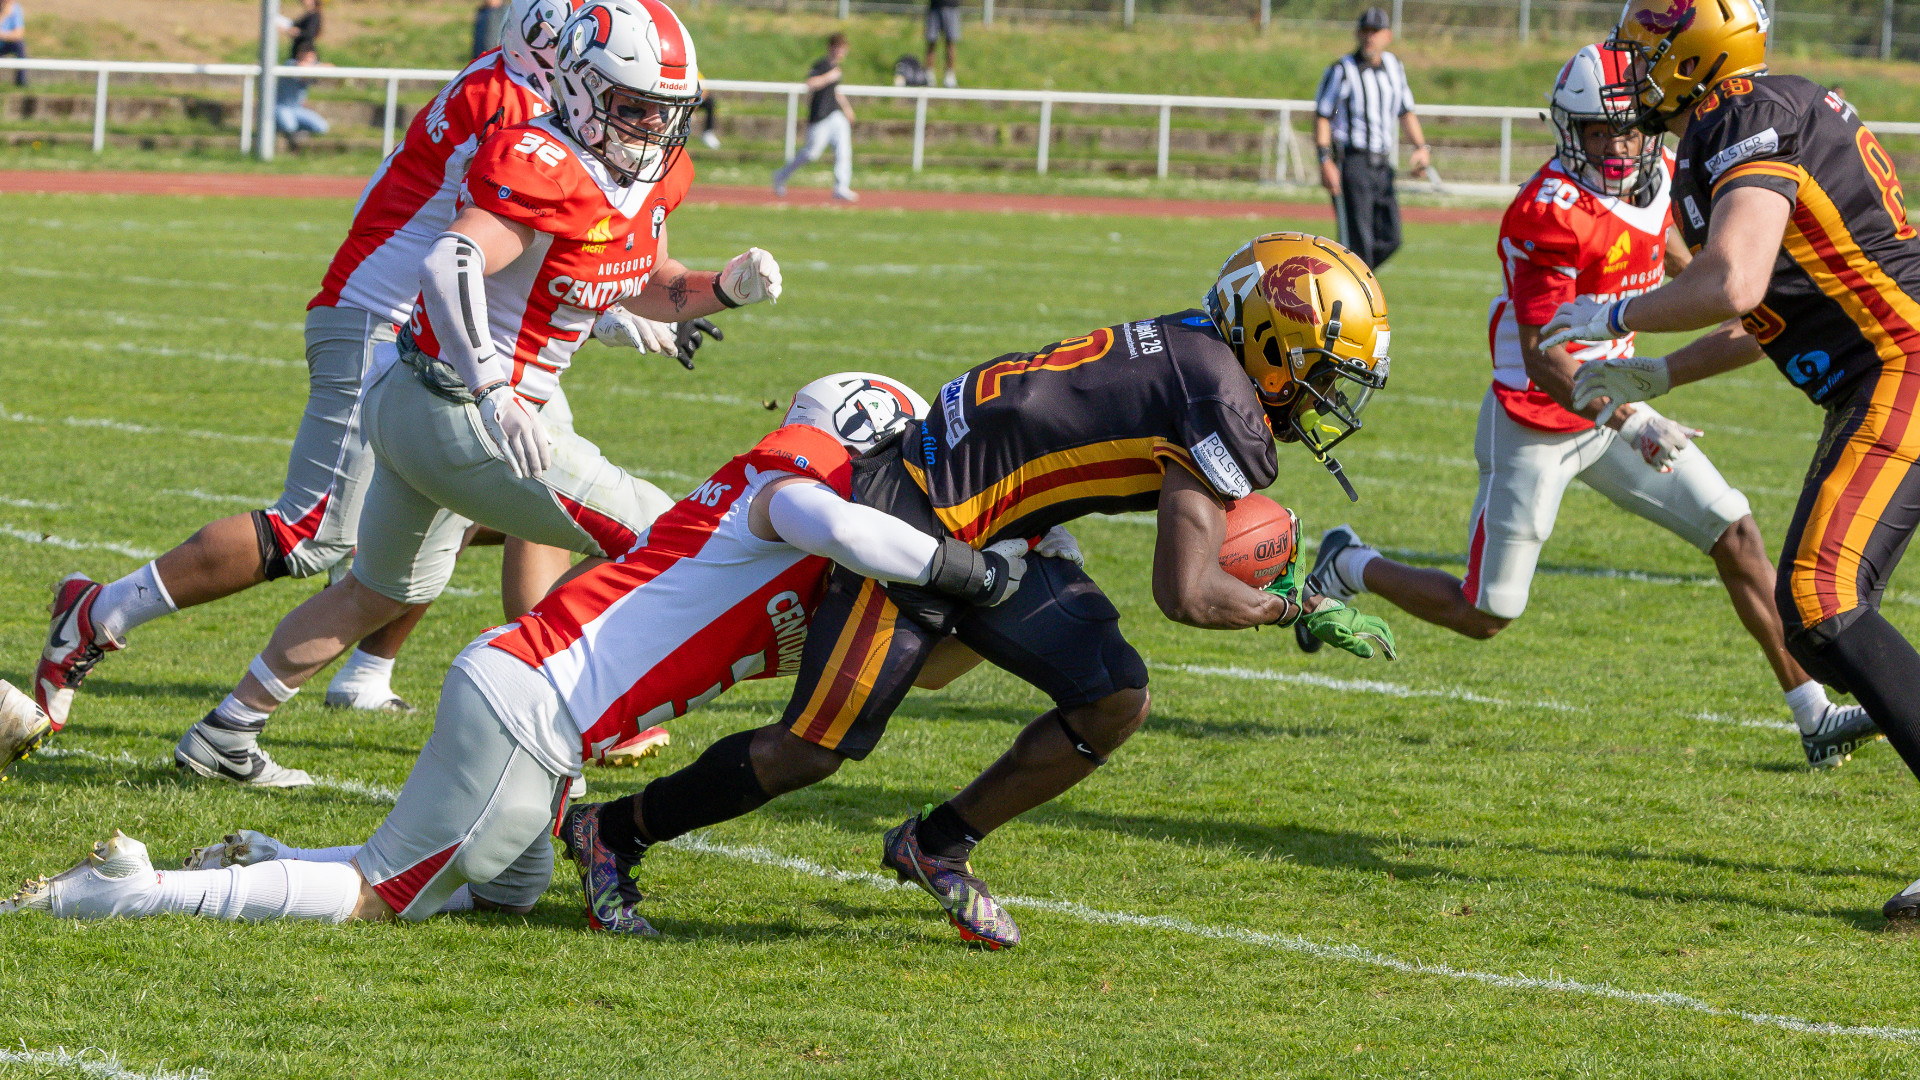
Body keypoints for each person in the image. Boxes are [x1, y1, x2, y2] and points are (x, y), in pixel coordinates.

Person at [563, 233, 1402, 950]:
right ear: (1268, 340)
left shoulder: (1198, 342)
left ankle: (939, 844)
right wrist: (1297, 606)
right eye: (1325, 372)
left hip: (1002, 517)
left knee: (1113, 695)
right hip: (923, 514)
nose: (1332, 397)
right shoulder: (1222, 398)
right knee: (812, 748)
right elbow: (1185, 592)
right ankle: (615, 829)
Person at [0, 375, 1040, 932]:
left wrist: (1020, 562)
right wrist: (964, 568)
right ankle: (130, 889)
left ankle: (262, 858)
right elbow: (842, 524)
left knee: (499, 892)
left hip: (537, 709)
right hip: (535, 702)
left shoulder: (815, 554)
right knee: (385, 894)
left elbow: (929, 668)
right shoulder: (796, 481)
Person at [163, 0, 782, 789]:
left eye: (668, 112)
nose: (653, 128)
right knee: (663, 536)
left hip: (424, 402)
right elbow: (450, 261)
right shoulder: (543, 157)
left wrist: (722, 288)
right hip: (462, 408)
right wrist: (491, 386)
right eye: (635, 107)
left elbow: (646, 280)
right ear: (584, 88)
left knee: (379, 591)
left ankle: (227, 731)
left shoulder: (650, 175)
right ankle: (558, 728)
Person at [32, 0, 583, 781]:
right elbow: (496, 238)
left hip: (411, 323)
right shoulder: (508, 104)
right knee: (313, 532)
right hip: (382, 318)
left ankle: (345, 685)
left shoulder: (504, 86)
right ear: (554, 52)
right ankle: (99, 615)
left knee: (473, 493)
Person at [1293, 44, 1877, 769]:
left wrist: (1729, 287)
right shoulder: (1547, 213)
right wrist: (1632, 414)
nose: (1613, 145)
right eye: (1596, 131)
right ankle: (1349, 562)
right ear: (1568, 131)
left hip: (1623, 405)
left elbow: (1671, 253)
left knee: (1735, 533)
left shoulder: (1663, 173)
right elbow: (1545, 357)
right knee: (1488, 613)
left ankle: (1812, 712)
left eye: (1625, 128)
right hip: (1540, 419)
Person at [1540, 0, 1920, 920]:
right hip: (1876, 372)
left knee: (1821, 600)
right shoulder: (1734, 127)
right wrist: (1659, 372)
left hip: (1901, 364)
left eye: (1647, 48)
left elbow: (1734, 283)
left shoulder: (1740, 118)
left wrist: (1613, 316)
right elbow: (1769, 315)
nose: (1631, 66)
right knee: (1815, 618)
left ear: (1698, 50)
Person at [1313, 7, 1430, 269]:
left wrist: (1421, 148)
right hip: (1353, 163)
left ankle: (1347, 281)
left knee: (1391, 238)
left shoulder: (1394, 67)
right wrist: (1325, 160)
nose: (1370, 37)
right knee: (1357, 244)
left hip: (1382, 165)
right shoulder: (1342, 69)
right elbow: (1323, 114)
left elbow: (1405, 111)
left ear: (1387, 35)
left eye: (1375, 32)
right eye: (1365, 31)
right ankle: (1353, 293)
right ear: (1357, 34)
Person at [772, 33, 856, 203]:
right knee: (811, 154)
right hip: (820, 117)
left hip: (835, 115)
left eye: (843, 49)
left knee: (844, 150)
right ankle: (781, 175)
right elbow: (810, 83)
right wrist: (828, 77)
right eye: (839, 48)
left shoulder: (837, 69)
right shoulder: (822, 65)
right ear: (831, 48)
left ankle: (841, 186)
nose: (841, 52)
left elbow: (835, 92)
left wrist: (847, 108)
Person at [275, 44, 331, 151]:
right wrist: (314, 67)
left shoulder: (312, 67)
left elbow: (330, 67)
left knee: (322, 127)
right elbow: (302, 67)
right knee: (288, 125)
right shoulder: (289, 65)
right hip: (280, 107)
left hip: (297, 109)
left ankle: (299, 133)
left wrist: (315, 66)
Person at [924, 0, 960, 89]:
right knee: (931, 42)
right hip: (935, 6)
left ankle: (950, 77)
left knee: (951, 43)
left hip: (951, 6)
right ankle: (929, 76)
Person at [0, 0, 26, 88]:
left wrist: (3, 35)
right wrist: (4, 15)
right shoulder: (6, 10)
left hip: (6, 42)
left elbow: (19, 34)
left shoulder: (15, 8)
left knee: (19, 45)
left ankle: (21, 82)